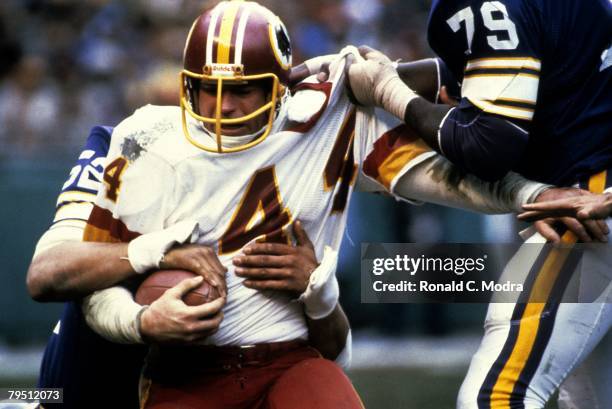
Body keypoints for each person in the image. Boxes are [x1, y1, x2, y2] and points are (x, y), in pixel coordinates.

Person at [344, 0, 612, 408]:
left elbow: (489, 144)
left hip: (589, 203)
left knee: (496, 395)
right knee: (589, 396)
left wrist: (390, 93)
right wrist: (372, 76)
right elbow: (492, 64)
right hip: (594, 194)